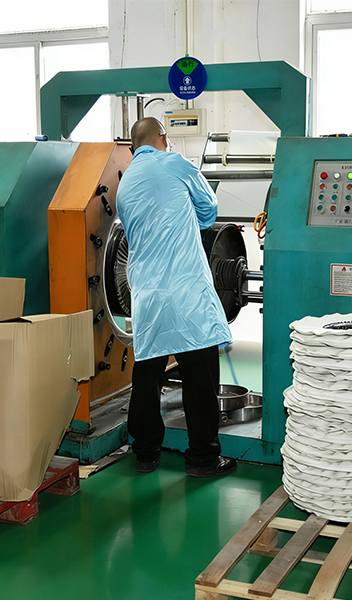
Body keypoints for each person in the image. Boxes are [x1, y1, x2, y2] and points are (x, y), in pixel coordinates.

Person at [116, 117, 236, 477]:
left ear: (133, 146)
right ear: (163, 137)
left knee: (147, 374)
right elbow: (209, 210)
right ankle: (203, 458)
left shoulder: (125, 184)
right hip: (185, 290)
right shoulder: (175, 162)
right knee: (199, 376)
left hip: (147, 293)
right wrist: (188, 224)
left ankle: (145, 453)